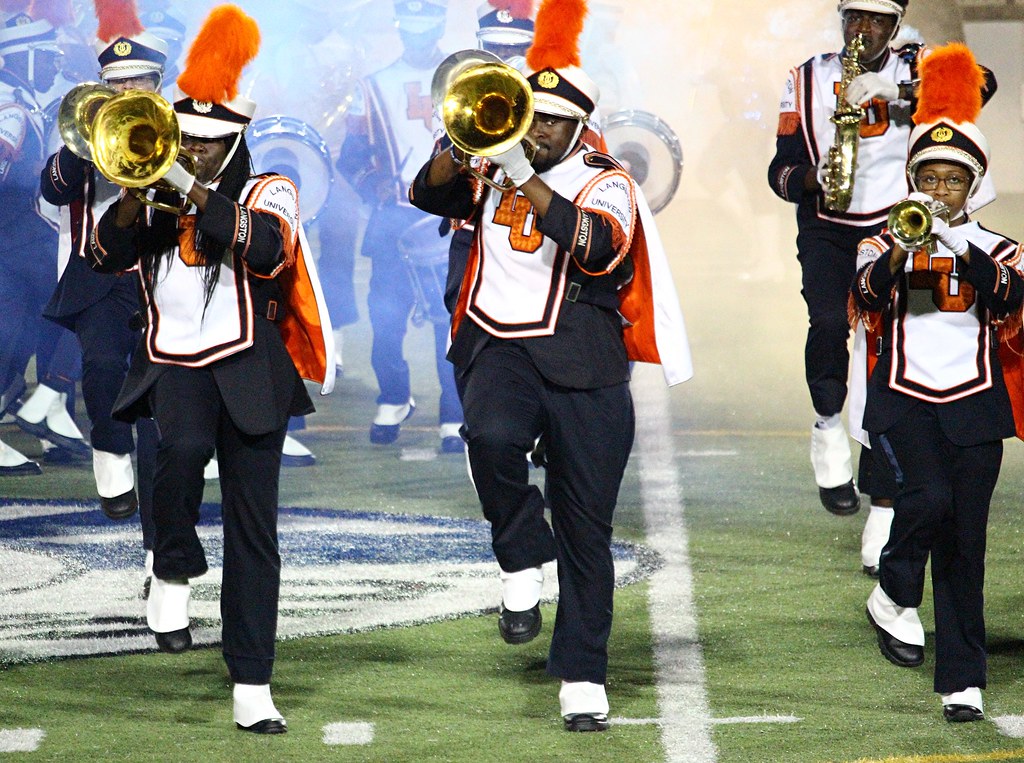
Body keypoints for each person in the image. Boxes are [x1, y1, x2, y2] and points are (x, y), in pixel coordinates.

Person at [410, 0, 691, 730]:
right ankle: (517, 545)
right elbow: (424, 194)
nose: (538, 132)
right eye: (533, 118)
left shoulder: (607, 180)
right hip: (500, 346)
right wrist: (459, 144)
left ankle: (582, 672)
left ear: (580, 127)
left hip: (585, 367)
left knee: (586, 528)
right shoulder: (494, 156)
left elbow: (594, 245)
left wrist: (522, 175)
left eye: (553, 124)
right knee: (491, 438)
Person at [86, 4, 334, 733]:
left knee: (256, 535)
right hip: (174, 365)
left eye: (201, 144)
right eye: (181, 141)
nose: (187, 150)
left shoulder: (270, 185)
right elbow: (105, 255)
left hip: (253, 370)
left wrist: (190, 191)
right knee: (179, 451)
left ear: (232, 141)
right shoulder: (152, 190)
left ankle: (252, 680)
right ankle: (170, 563)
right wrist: (136, 198)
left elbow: (263, 247)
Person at [767, 0, 996, 573]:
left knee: (894, 358)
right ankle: (826, 424)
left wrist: (897, 93)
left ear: (895, 27)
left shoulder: (919, 64)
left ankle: (885, 504)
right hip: (828, 228)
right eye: (853, 19)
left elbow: (981, 86)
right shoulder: (806, 77)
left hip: (903, 230)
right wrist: (811, 179)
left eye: (875, 21)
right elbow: (780, 170)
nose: (861, 31)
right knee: (827, 323)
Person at [851, 42, 1023, 723]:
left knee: (965, 540)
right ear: (912, 180)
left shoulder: (1000, 246)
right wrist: (906, 245)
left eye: (952, 180)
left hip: (977, 408)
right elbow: (864, 293)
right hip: (905, 400)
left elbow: (1011, 299)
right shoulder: (883, 237)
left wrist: (963, 247)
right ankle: (894, 586)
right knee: (926, 495)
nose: (940, 191)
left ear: (972, 186)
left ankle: (962, 677)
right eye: (929, 177)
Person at [40, 0, 164, 540]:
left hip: (166, 275)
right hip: (97, 272)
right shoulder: (81, 130)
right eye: (115, 85)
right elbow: (51, 189)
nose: (125, 94)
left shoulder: (180, 128)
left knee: (164, 393)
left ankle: (163, 531)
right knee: (104, 366)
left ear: (158, 85)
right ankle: (111, 452)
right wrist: (88, 143)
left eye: (137, 83)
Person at [337, 0, 464, 452]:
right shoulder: (373, 86)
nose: (417, 37)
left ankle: (454, 413)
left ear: (440, 27)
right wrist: (380, 192)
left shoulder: (467, 84)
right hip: (395, 220)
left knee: (449, 321)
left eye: (425, 28)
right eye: (409, 29)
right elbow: (349, 160)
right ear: (399, 29)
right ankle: (393, 396)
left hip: (450, 221)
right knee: (385, 318)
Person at [0, 9, 87, 474]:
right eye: (48, 57)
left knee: (17, 334)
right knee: (85, 296)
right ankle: (48, 400)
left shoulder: (18, 97)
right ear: (25, 57)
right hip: (14, 240)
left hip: (19, 241)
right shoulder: (8, 104)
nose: (56, 65)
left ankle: (51, 406)